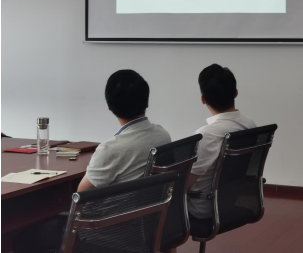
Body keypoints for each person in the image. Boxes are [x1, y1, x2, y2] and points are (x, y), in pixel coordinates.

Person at [13, 69, 171, 252]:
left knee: (21, 238)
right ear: (147, 101)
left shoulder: (112, 149)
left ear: (109, 106)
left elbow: (80, 198)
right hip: (146, 224)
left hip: (107, 230)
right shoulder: (163, 135)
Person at [187, 64, 256, 219]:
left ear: (203, 99)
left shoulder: (206, 135)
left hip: (201, 208)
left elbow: (186, 184)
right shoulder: (250, 125)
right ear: (236, 93)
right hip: (230, 201)